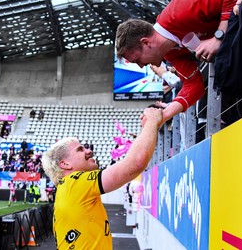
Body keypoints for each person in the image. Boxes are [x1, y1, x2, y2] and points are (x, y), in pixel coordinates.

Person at [116, 0, 242, 125]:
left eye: (137, 60)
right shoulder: (170, 53)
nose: (141, 66)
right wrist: (164, 115)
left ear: (146, 43)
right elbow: (193, 85)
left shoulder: (179, 10)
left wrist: (218, 37)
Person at [41, 107, 162, 249]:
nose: (89, 151)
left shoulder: (67, 188)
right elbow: (135, 163)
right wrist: (152, 120)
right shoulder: (75, 182)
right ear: (65, 164)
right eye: (80, 149)